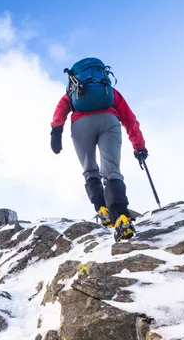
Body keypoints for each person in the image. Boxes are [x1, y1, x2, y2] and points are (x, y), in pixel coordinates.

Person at [50, 58, 148, 241]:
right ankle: (121, 217)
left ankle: (101, 208)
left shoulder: (72, 93)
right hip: (109, 121)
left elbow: (61, 108)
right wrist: (139, 146)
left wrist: (56, 132)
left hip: (80, 125)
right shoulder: (109, 91)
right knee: (112, 171)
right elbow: (129, 119)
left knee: (90, 169)